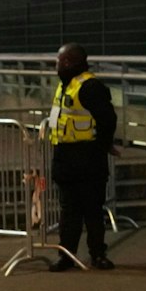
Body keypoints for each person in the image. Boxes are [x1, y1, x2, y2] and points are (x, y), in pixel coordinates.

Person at [47, 44, 118, 272]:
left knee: (92, 210)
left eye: (59, 61)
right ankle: (66, 255)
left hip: (88, 159)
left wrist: (102, 146)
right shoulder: (65, 85)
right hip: (65, 158)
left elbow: (108, 120)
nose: (56, 65)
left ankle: (98, 254)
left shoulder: (90, 87)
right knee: (68, 211)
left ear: (69, 62)